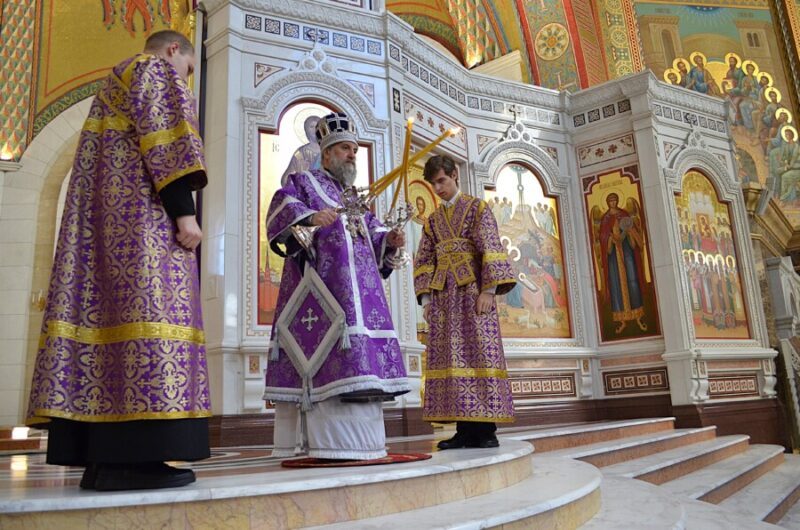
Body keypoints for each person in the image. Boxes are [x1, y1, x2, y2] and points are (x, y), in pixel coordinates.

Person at [26, 30, 210, 491]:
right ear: (174, 50)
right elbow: (166, 142)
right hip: (143, 223)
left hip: (107, 227)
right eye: (188, 69)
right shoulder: (153, 69)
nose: (185, 78)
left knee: (109, 330)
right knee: (153, 323)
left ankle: (102, 460)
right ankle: (135, 461)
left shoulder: (115, 81)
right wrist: (184, 213)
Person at [264, 112, 410, 460]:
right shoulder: (304, 182)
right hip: (323, 296)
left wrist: (389, 240)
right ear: (327, 153)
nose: (351, 155)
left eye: (354, 150)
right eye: (345, 149)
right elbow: (280, 210)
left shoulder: (354, 199)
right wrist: (311, 218)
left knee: (362, 367)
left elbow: (373, 234)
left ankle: (361, 444)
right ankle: (322, 442)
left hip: (360, 301)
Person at [414, 155, 516, 449]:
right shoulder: (432, 222)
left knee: (479, 354)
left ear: (455, 175)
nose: (438, 189)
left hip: (473, 294)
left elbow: (490, 247)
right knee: (452, 358)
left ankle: (486, 431)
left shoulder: (477, 208)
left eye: (442, 181)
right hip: (444, 299)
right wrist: (427, 300)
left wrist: (489, 291)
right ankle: (463, 430)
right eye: (434, 184)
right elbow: (424, 260)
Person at [597, 193, 648, 333]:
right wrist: (610, 239)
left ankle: (638, 316)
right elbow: (602, 236)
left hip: (627, 252)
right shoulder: (605, 218)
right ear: (607, 203)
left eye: (615, 200)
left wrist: (628, 233)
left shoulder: (624, 214)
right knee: (616, 284)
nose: (613, 203)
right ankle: (621, 320)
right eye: (610, 201)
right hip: (614, 256)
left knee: (632, 280)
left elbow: (632, 230)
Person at [280, 115, 321, 185]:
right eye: (311, 127)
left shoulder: (328, 152)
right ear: (307, 130)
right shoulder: (299, 153)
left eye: (317, 127)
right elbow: (285, 180)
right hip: (305, 188)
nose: (314, 130)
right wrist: (299, 173)